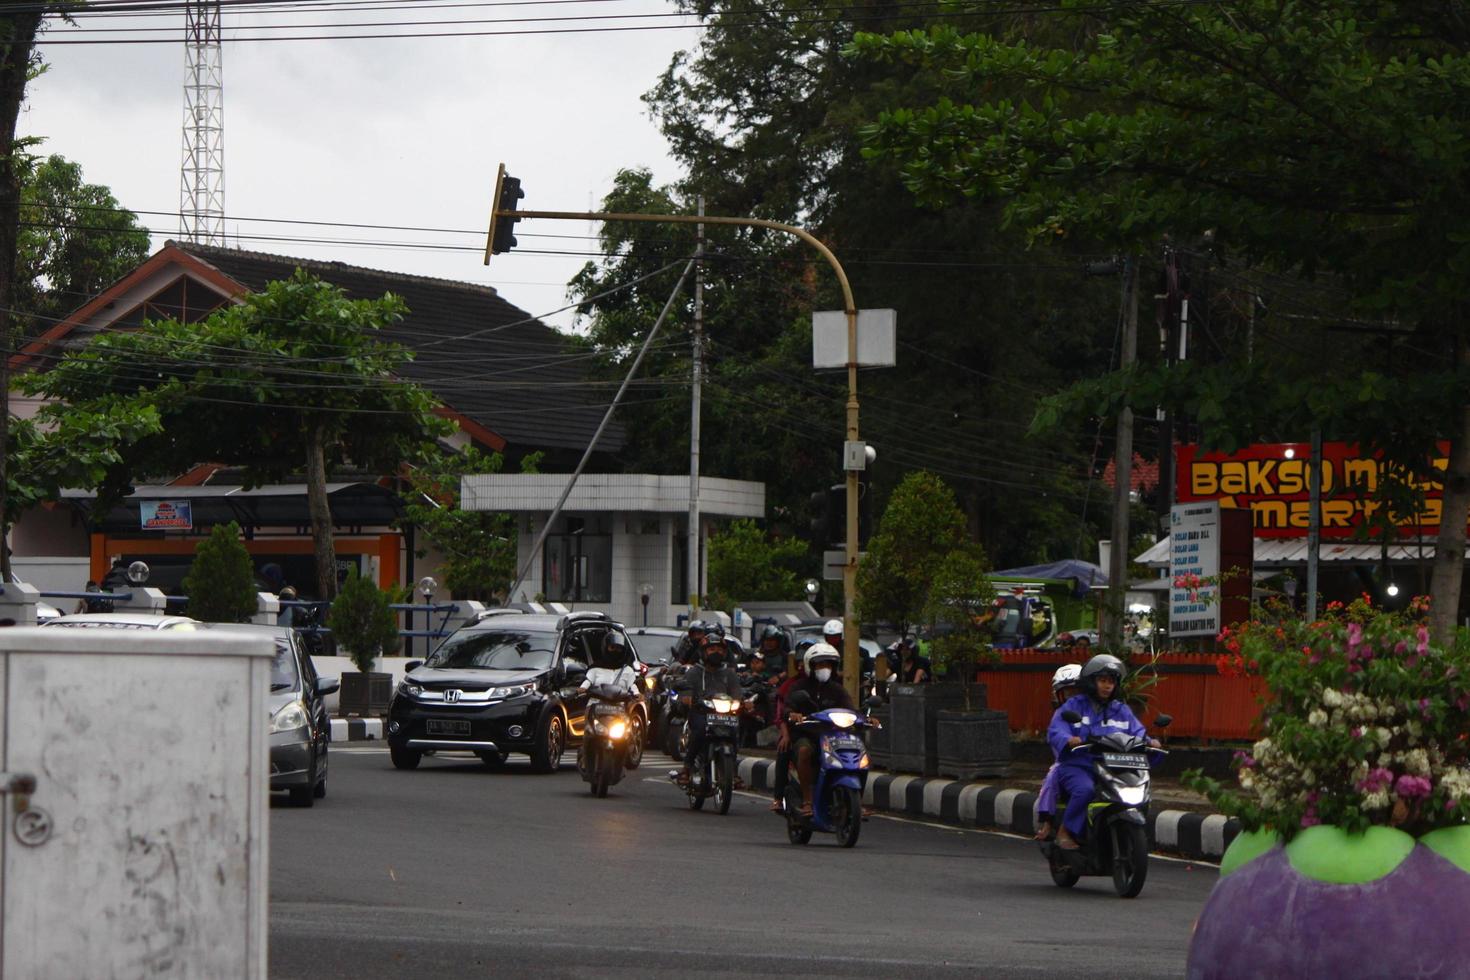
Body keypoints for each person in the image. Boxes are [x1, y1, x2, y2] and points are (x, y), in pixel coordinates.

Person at [1047, 654, 1160, 850]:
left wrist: (1150, 742)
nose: (1107, 686)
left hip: (1113, 764)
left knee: (1139, 790)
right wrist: (1068, 739)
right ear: (1091, 682)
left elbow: (1137, 731)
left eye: (1111, 682)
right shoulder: (1074, 706)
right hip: (1079, 765)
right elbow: (1056, 729)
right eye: (1102, 680)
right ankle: (1065, 830)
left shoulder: (1121, 709)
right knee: (1086, 790)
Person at [786, 642, 856, 817]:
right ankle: (807, 800)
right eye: (820, 664)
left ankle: (854, 802)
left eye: (828, 664)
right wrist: (793, 714)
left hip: (833, 737)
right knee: (804, 751)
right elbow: (787, 707)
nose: (825, 668)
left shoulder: (837, 689)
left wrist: (865, 718)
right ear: (811, 665)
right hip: (807, 735)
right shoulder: (799, 687)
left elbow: (850, 709)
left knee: (856, 752)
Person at [671, 630, 742, 786]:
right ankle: (687, 768)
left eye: (720, 650)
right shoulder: (695, 672)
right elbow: (685, 687)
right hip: (701, 713)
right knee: (699, 731)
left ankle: (733, 772)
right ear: (704, 652)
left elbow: (737, 692)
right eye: (712, 649)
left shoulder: (729, 674)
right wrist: (687, 697)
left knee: (735, 732)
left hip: (724, 714)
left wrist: (742, 702)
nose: (716, 653)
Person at [578, 631, 640, 773]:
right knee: (588, 733)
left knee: (626, 735)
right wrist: (582, 689)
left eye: (618, 649)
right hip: (596, 706)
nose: (615, 651)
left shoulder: (628, 670)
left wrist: (637, 695)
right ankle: (585, 760)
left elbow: (633, 686)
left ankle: (621, 761)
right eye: (612, 648)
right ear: (606, 648)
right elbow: (587, 681)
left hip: (618, 709)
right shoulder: (595, 668)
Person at [1034, 663, 1082, 840]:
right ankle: (1047, 823)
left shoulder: (1096, 709)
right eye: (1068, 693)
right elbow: (1056, 734)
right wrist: (1069, 740)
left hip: (1096, 761)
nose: (1073, 697)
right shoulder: (1062, 714)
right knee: (1052, 777)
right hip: (1069, 762)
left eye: (1077, 692)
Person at [770, 638, 815, 812]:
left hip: (822, 733)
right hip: (795, 732)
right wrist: (786, 734)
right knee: (784, 750)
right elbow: (781, 715)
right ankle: (778, 797)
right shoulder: (790, 686)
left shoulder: (830, 686)